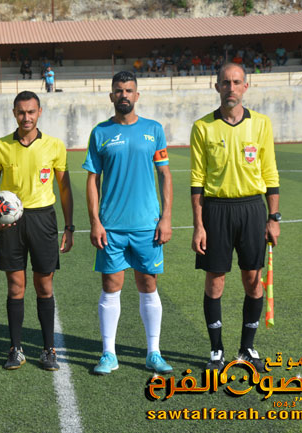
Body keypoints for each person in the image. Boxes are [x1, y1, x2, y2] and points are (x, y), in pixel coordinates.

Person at [190, 63, 280, 373]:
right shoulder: (203, 127)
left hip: (252, 209)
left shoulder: (261, 124)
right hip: (216, 210)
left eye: (236, 82)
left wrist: (273, 217)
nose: (231, 87)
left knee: (253, 280)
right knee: (215, 281)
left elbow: (270, 172)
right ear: (217, 87)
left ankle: (246, 348)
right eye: (226, 82)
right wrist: (199, 225)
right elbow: (197, 180)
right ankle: (216, 351)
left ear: (245, 86)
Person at [83, 71, 174, 375]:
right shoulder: (100, 132)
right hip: (111, 227)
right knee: (111, 286)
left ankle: (153, 352)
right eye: (119, 90)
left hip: (148, 226)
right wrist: (95, 222)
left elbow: (165, 175)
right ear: (112, 96)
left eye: (129, 90)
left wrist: (166, 217)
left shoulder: (153, 130)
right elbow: (92, 180)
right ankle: (109, 354)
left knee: (148, 285)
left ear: (137, 95)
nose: (124, 95)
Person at [0, 91, 74, 371]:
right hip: (11, 223)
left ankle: (49, 349)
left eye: (31, 112)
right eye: (21, 112)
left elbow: (64, 188)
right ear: (14, 113)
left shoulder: (54, 145)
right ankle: (16, 349)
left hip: (43, 219)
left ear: (39, 112)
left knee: (44, 285)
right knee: (15, 286)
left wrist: (69, 226)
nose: (26, 117)